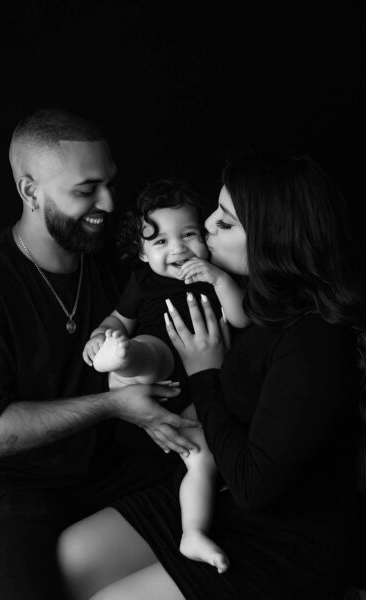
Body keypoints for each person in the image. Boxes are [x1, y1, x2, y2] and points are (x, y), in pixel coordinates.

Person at [57, 150, 365, 600]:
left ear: (272, 236)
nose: (207, 227)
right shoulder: (249, 299)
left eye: (226, 221)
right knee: (68, 557)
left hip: (281, 536)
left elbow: (252, 485)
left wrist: (205, 371)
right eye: (215, 212)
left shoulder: (314, 341)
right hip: (214, 497)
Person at [0, 108, 201, 600]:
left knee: (230, 507)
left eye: (109, 182)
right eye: (86, 189)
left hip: (104, 466)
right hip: (7, 486)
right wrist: (115, 406)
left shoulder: (110, 258)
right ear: (30, 192)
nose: (109, 201)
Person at [82, 179, 249, 574]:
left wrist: (220, 279)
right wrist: (100, 336)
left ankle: (192, 532)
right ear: (141, 252)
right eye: (160, 242)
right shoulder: (143, 283)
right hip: (147, 369)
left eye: (188, 235)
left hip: (192, 394)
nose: (177, 249)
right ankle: (119, 356)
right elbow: (117, 319)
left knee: (202, 457)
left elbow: (241, 316)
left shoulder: (217, 275)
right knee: (151, 349)